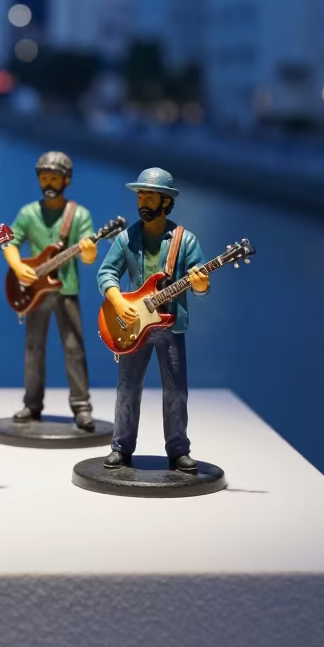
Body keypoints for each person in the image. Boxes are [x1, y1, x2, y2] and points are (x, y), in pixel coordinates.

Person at [96, 167, 209, 472]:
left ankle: (178, 450)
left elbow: (200, 285)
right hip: (134, 325)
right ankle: (121, 447)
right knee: (127, 389)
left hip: (171, 326)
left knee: (176, 391)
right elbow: (106, 273)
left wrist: (200, 284)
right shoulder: (126, 238)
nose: (143, 202)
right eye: (140, 196)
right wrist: (119, 301)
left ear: (166, 202)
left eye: (149, 197)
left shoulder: (186, 241)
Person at [3, 151, 98, 428]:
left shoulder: (80, 215)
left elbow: (88, 256)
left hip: (66, 289)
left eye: (55, 178)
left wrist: (89, 251)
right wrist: (18, 267)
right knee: (33, 347)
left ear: (66, 180)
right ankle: (32, 404)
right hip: (35, 290)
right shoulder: (28, 213)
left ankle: (81, 405)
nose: (49, 183)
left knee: (74, 348)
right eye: (44, 177)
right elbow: (11, 242)